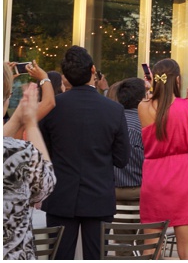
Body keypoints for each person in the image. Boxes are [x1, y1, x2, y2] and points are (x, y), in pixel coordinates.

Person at [38, 46, 130, 260]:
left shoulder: (52, 107)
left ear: (66, 76)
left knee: (59, 257)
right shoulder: (114, 110)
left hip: (60, 195)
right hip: (99, 196)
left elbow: (44, 151)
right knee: (95, 257)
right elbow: (121, 158)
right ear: (93, 70)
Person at [138, 58, 188, 260]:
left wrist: (151, 89)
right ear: (177, 80)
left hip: (153, 180)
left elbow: (156, 104)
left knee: (151, 251)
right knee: (187, 251)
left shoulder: (143, 107)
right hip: (182, 180)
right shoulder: (186, 107)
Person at [3, 64, 56, 261]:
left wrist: (16, 120)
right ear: (6, 98)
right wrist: (31, 124)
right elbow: (46, 183)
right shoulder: (19, 152)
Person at [114, 77, 146, 204]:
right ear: (142, 99)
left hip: (111, 192)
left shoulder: (110, 121)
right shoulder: (145, 124)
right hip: (140, 191)